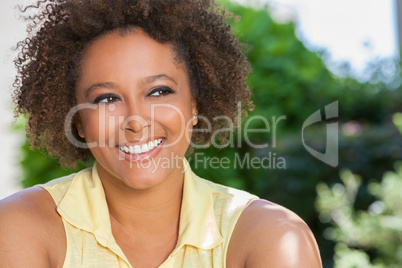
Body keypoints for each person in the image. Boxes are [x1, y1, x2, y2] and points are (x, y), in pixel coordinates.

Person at [0, 0, 322, 267]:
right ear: (79, 122)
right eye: (107, 98)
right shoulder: (20, 227)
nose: (136, 121)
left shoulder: (272, 238)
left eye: (158, 92)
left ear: (195, 105)